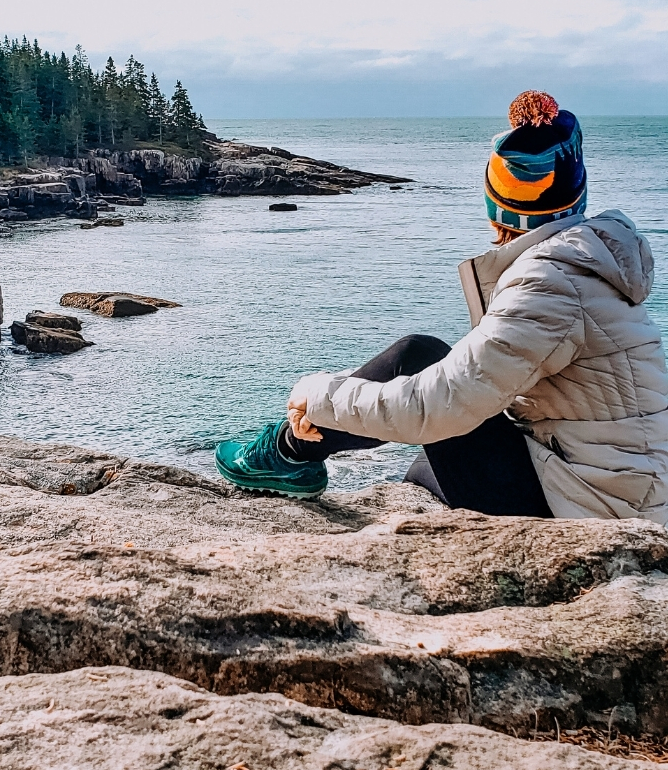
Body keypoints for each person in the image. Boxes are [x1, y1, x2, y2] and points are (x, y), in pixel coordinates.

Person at [215, 92, 668, 523]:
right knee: (421, 469)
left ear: (496, 204)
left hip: (593, 508)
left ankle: (288, 452)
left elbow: (435, 405)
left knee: (417, 357)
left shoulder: (548, 285)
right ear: (577, 198)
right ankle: (296, 453)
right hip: (612, 484)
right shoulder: (586, 263)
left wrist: (317, 394)